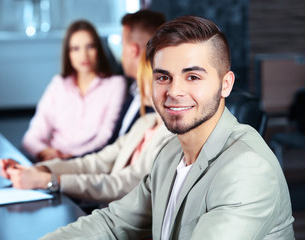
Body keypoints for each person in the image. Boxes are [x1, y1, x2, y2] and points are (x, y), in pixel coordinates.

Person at [40, 16, 295, 239]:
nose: (174, 91)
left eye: (193, 77)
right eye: (163, 77)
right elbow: (113, 223)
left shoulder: (248, 168)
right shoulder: (170, 154)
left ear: (225, 84)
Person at [0, 52, 174, 203]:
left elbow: (125, 183)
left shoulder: (171, 135)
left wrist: (49, 181)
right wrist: (41, 170)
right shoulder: (145, 123)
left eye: (140, 79)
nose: (136, 87)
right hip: (107, 215)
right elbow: (96, 161)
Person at [21, 20, 126, 162]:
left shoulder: (115, 84)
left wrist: (70, 157)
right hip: (51, 159)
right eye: (75, 49)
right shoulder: (58, 84)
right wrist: (45, 152)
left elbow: (105, 137)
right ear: (68, 54)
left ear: (99, 50)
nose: (84, 55)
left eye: (90, 47)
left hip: (87, 161)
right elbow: (31, 137)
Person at [107, 9, 166, 144]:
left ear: (134, 49)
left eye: (123, 45)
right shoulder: (132, 89)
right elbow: (112, 148)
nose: (122, 54)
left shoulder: (159, 105)